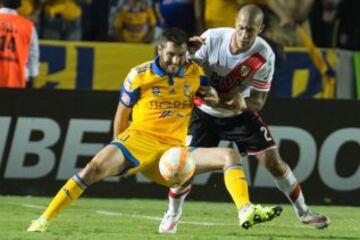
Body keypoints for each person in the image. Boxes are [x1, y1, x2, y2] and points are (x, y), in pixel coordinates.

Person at [27, 28, 281, 233]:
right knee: (92, 170)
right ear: (160, 50)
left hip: (172, 150)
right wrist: (118, 144)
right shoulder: (139, 75)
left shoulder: (195, 74)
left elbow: (211, 97)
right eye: (170, 54)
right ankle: (43, 221)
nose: (175, 60)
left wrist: (220, 99)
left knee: (230, 156)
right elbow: (121, 112)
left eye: (180, 55)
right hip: (137, 141)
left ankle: (245, 210)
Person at [159, 4, 329, 234]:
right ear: (234, 23)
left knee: (273, 161)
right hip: (203, 114)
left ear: (261, 29)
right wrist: (188, 52)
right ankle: (172, 214)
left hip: (238, 115)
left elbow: (258, 102)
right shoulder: (212, 39)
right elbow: (179, 70)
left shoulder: (264, 55)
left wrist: (239, 103)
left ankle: (304, 212)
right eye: (241, 28)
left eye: (251, 30)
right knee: (183, 168)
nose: (245, 35)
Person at [0, 0, 39, 88]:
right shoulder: (28, 26)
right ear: (20, 4)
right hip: (16, 82)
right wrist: (32, 80)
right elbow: (33, 58)